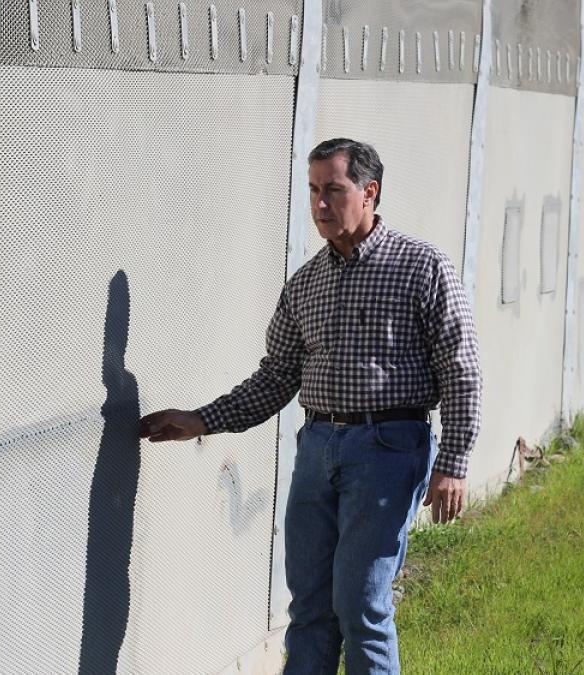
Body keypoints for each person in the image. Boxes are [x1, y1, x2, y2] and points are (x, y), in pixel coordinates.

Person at [139, 138, 482, 673]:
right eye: (314, 191)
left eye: (334, 190)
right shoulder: (306, 283)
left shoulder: (422, 268)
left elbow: (460, 368)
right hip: (318, 448)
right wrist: (201, 419)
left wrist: (453, 462)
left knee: (360, 604)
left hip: (389, 449)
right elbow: (277, 376)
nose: (320, 204)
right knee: (309, 608)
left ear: (369, 192)